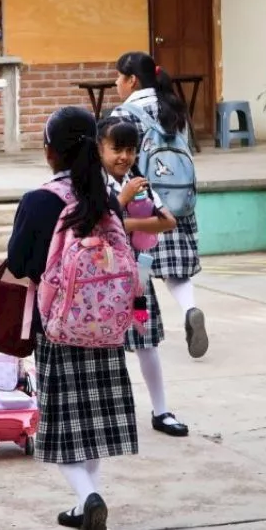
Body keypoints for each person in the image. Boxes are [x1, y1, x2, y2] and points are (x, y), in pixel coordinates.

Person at [5, 106, 138, 530]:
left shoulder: (41, 200)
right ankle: (84, 508)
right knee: (94, 427)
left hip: (58, 329)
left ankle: (91, 498)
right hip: (105, 327)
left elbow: (20, 263)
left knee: (62, 432)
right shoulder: (105, 195)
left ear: (50, 151)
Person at [111, 51, 209, 359]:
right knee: (176, 269)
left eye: (119, 77)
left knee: (138, 271)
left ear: (132, 80)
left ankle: (140, 330)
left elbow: (118, 160)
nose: (116, 83)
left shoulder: (124, 114)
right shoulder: (173, 106)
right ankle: (190, 308)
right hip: (179, 201)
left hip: (143, 203)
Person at [97, 115, 188, 438]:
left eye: (130, 150)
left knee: (146, 339)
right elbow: (100, 221)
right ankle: (107, 413)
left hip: (137, 275)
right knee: (104, 344)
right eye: (116, 149)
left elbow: (167, 221)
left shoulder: (139, 181)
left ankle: (161, 410)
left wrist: (130, 223)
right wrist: (124, 205)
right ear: (99, 149)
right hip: (101, 280)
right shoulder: (94, 184)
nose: (124, 157)